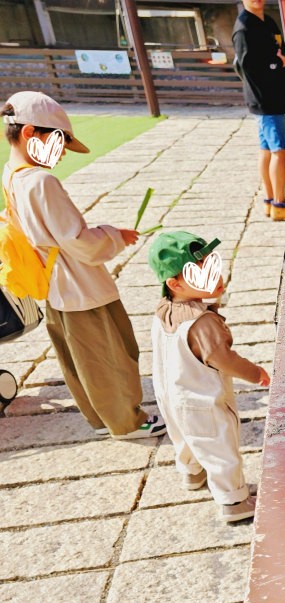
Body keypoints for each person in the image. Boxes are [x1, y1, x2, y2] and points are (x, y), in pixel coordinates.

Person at [1, 91, 165, 439]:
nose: (60, 152)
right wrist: (115, 236)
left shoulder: (12, 173)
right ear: (30, 133)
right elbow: (78, 241)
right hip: (78, 283)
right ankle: (127, 422)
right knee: (110, 354)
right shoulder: (42, 182)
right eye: (58, 142)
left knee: (78, 360)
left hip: (52, 281)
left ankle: (100, 417)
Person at [147, 231, 269, 524]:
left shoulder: (164, 308)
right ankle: (234, 500)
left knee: (184, 437)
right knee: (218, 445)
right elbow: (223, 359)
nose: (215, 277)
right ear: (175, 283)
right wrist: (256, 374)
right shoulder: (201, 323)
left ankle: (192, 473)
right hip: (200, 398)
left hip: (169, 393)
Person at [233, 0, 285, 222]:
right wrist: (277, 63)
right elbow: (248, 68)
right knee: (279, 151)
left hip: (274, 96)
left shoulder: (269, 23)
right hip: (264, 98)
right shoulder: (244, 28)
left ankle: (270, 199)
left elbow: (284, 55)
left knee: (266, 149)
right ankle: (280, 203)